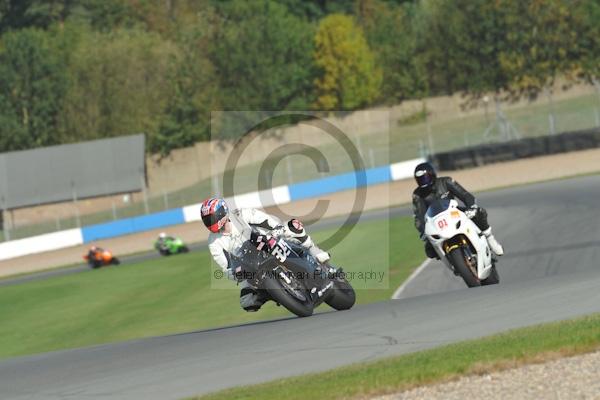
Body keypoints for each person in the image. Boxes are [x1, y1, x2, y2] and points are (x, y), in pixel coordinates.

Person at [201, 197, 330, 312]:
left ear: (221, 213)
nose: (209, 222)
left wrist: (277, 228)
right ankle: (276, 293)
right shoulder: (213, 242)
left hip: (267, 242)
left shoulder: (239, 215)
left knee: (293, 226)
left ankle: (313, 249)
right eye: (206, 219)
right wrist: (236, 274)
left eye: (211, 218)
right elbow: (226, 266)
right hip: (248, 265)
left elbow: (264, 220)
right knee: (247, 302)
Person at [412, 162, 504, 259]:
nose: (423, 181)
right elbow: (419, 216)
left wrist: (471, 207)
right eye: (420, 180)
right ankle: (451, 260)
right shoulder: (417, 195)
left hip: (454, 212)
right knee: (429, 250)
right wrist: (423, 231)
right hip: (436, 222)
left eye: (425, 178)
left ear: (432, 174)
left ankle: (490, 238)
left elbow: (465, 195)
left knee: (479, 212)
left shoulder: (446, 181)